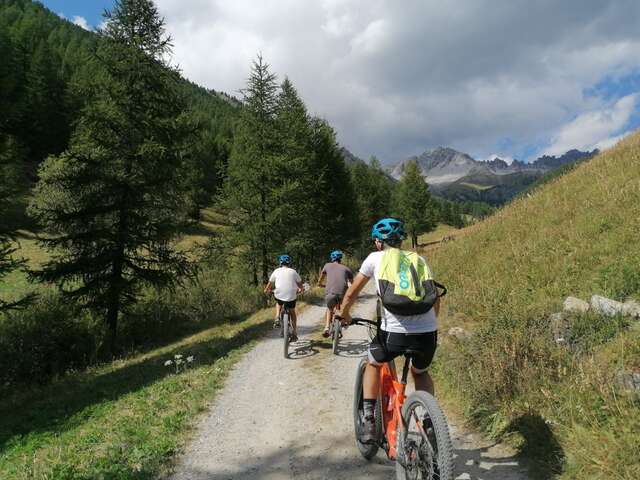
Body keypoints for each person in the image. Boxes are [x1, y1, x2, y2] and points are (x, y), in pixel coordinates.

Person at [338, 218, 441, 444]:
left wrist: (344, 314)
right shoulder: (419, 259)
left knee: (373, 362)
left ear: (378, 242)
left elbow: (352, 293)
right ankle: (430, 424)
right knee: (420, 372)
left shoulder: (375, 258)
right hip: (427, 333)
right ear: (401, 241)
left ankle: (369, 420)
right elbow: (434, 299)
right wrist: (430, 324)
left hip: (394, 334)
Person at [264, 254, 304, 342]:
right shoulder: (293, 271)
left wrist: (266, 289)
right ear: (289, 263)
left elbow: (270, 283)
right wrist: (301, 289)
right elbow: (300, 283)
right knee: (292, 312)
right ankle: (294, 332)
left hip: (279, 294)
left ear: (280, 263)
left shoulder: (276, 271)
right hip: (291, 295)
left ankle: (277, 316)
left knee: (278, 303)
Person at [318, 250, 353, 338]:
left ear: (331, 258)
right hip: (342, 293)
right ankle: (343, 322)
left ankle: (326, 327)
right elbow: (352, 283)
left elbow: (321, 278)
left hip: (330, 293)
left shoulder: (327, 265)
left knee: (329, 308)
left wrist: (319, 284)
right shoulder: (346, 268)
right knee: (343, 308)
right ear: (340, 259)